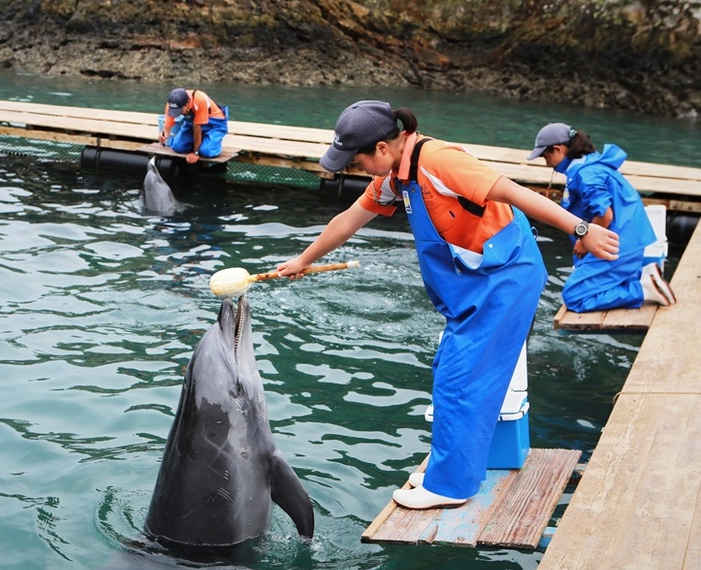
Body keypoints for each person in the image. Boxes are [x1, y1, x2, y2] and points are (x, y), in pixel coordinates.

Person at [276, 100, 620, 510]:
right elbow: (348, 220)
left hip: (504, 280)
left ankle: (452, 487)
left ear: (382, 149)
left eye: (356, 161)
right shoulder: (396, 179)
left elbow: (514, 192)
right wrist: (303, 260)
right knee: (450, 371)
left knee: (460, 380)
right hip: (476, 286)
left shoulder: (438, 161)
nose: (355, 168)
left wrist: (583, 229)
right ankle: (453, 466)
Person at [528, 123, 676, 311]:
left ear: (558, 149)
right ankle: (644, 277)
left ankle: (643, 289)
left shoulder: (585, 173)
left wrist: (583, 239)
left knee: (574, 297)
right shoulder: (589, 162)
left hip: (618, 245)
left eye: (545, 155)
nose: (546, 162)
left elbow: (604, 214)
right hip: (628, 240)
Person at [159, 88, 229, 164]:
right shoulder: (172, 103)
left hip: (214, 125)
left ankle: (212, 141)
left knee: (206, 151)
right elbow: (168, 123)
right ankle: (202, 142)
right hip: (192, 124)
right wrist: (164, 135)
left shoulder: (200, 99)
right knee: (177, 147)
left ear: (187, 103)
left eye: (179, 111)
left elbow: (197, 128)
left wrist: (196, 152)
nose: (178, 113)